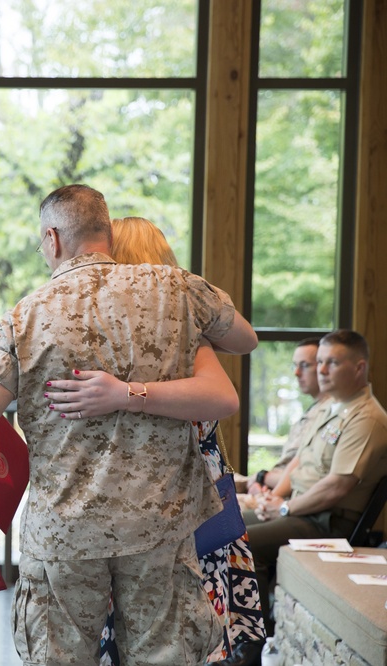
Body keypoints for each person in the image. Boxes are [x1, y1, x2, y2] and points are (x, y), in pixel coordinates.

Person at [0, 185, 258, 665]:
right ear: (107, 233)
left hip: (64, 533)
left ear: (52, 238)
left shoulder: (26, 316)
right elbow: (245, 339)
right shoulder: (177, 289)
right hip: (161, 525)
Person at [44, 216, 266, 665]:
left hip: (123, 511)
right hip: (179, 508)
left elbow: (224, 392)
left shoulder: (99, 332)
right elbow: (242, 346)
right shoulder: (183, 333)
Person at [244, 329, 387, 636]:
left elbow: (337, 486)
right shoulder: (330, 408)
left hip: (327, 522)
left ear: (359, 367)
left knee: (240, 544)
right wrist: (275, 500)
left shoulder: (366, 418)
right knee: (223, 524)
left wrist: (286, 508)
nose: (320, 370)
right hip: (300, 510)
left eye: (331, 363)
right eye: (319, 361)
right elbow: (298, 462)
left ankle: (255, 640)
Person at [243, 337, 325, 496]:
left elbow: (303, 474)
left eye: (305, 365)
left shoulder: (326, 416)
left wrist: (262, 479)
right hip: (272, 488)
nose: (296, 373)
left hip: (286, 497)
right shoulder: (313, 411)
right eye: (295, 365)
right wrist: (259, 480)